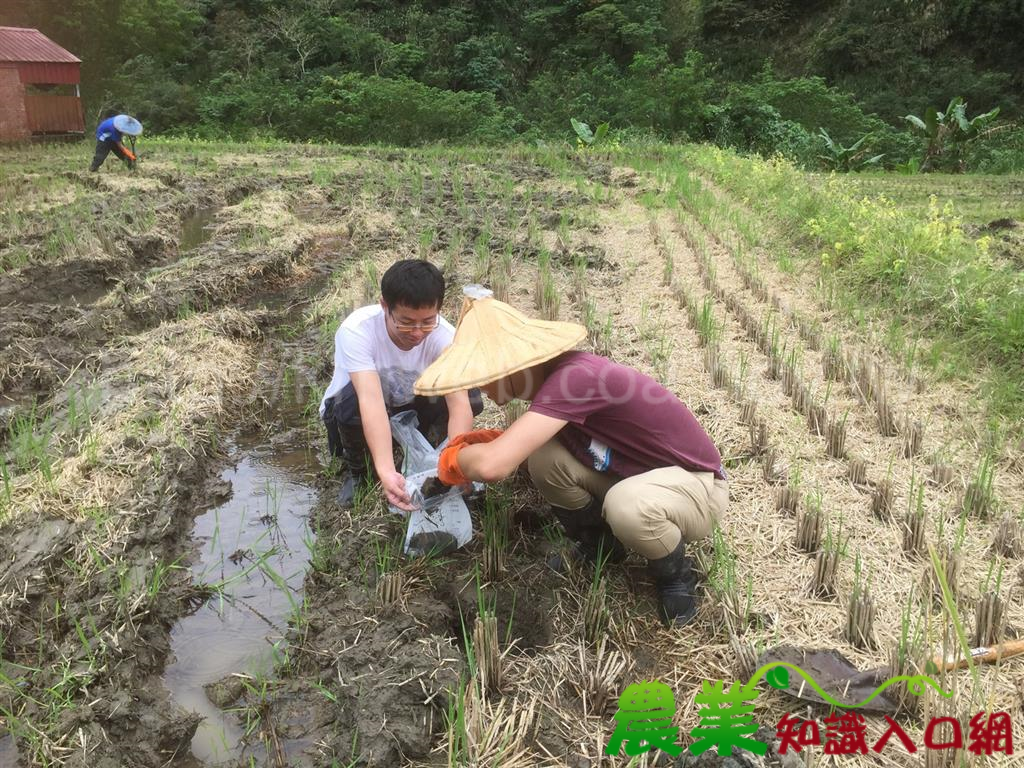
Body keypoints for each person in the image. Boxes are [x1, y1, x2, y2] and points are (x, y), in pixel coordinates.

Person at [415, 286, 728, 627]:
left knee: (627, 505)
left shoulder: (575, 379)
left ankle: (676, 575)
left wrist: (451, 464)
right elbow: (519, 445)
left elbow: (494, 465)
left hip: (697, 488)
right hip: (633, 472)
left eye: (485, 376)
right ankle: (601, 546)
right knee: (544, 457)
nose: (483, 389)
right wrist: (475, 448)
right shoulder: (558, 383)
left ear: (511, 366)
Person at [319, 260, 483, 510]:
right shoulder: (357, 331)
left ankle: (430, 447)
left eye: (428, 321)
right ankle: (359, 474)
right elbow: (370, 401)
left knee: (469, 393)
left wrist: (455, 462)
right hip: (354, 415)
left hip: (408, 405)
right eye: (406, 322)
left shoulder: (445, 338)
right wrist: (385, 470)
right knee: (349, 398)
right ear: (385, 306)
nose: (417, 333)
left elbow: (459, 404)